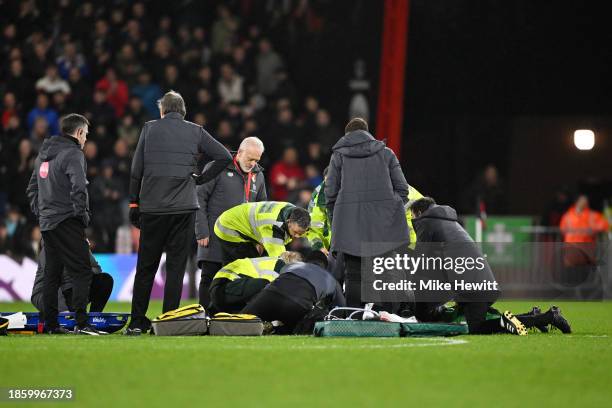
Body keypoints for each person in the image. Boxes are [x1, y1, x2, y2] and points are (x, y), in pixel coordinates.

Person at [126, 91, 232, 335]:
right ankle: (168, 322)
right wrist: (201, 178)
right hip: (184, 209)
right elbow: (224, 156)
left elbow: (136, 170)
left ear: (162, 111)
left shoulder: (149, 129)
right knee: (175, 268)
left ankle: (137, 322)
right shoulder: (195, 131)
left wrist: (134, 203)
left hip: (153, 209)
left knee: (146, 267)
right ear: (183, 111)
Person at [410, 197, 571, 335]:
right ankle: (533, 316)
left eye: (412, 216)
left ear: (419, 213)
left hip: (473, 288)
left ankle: (546, 317)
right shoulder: (447, 223)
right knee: (484, 321)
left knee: (477, 327)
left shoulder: (427, 223)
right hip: (480, 284)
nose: (412, 220)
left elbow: (422, 264)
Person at [26, 113, 102, 335]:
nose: (86, 139)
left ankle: (51, 325)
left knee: (52, 274)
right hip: (67, 220)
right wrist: (82, 217)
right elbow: (79, 188)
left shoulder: (42, 156)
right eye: (85, 135)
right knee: (82, 271)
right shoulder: (73, 154)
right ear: (78, 133)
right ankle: (81, 322)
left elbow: (32, 189)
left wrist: (43, 213)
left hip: (48, 224)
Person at [325, 118, 410, 308]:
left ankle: (354, 318)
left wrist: (337, 214)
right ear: (368, 133)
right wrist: (389, 208)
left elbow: (330, 192)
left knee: (354, 275)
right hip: (384, 225)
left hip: (349, 223)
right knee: (387, 273)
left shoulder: (338, 156)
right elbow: (403, 189)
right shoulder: (387, 154)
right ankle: (389, 318)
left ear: (347, 136)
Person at [195, 137, 268, 307]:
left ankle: (230, 320)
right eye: (250, 159)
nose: (253, 164)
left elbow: (262, 210)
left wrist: (260, 239)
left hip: (243, 243)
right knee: (209, 278)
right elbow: (199, 198)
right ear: (239, 153)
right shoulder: (217, 167)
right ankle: (204, 317)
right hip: (214, 237)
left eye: (257, 160)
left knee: (237, 281)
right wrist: (202, 231)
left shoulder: (259, 176)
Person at [242, 250, 345, 334]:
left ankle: (267, 327)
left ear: (306, 261)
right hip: (297, 305)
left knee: (239, 322)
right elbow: (340, 308)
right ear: (325, 266)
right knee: (300, 328)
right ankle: (275, 330)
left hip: (269, 296)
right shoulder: (331, 280)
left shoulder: (292, 266)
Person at [213, 201, 310, 265]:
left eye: (301, 233)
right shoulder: (272, 229)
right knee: (249, 266)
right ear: (288, 221)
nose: (297, 236)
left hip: (238, 219)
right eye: (295, 232)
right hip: (228, 227)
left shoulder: (292, 210)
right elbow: (280, 260)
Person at [31, 241, 113, 314]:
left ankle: (94, 317)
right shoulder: (50, 246)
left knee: (105, 280)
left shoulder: (80, 244)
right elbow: (52, 277)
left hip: (72, 287)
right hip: (46, 292)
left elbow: (97, 269)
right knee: (66, 284)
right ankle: (68, 314)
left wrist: (82, 269)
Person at [209, 252, 301, 313]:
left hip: (221, 289)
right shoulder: (280, 265)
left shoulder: (270, 261)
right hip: (226, 288)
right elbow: (269, 290)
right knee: (268, 287)